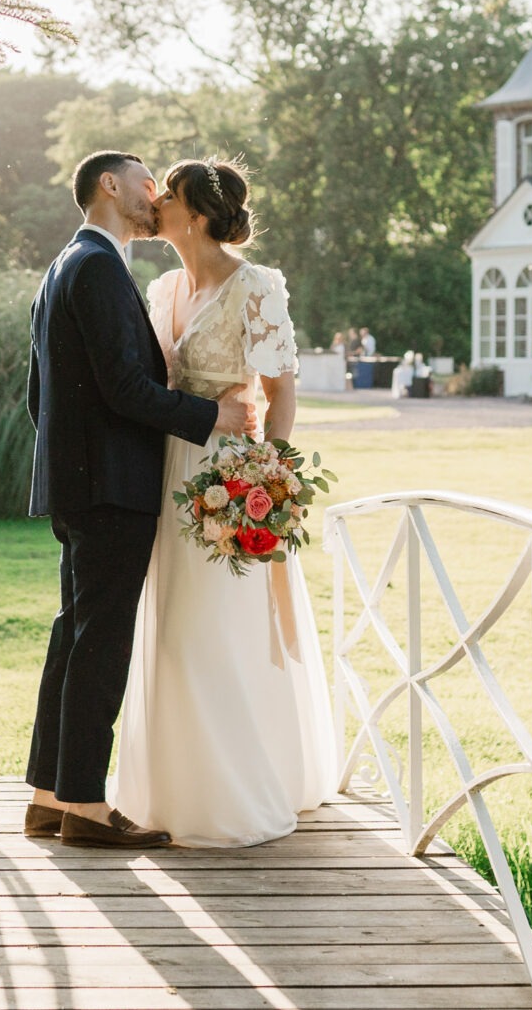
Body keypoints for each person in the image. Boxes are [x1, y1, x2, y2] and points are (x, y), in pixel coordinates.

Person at [25, 151, 254, 849]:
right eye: (145, 179)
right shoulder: (95, 266)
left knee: (75, 635)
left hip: (80, 481)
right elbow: (124, 387)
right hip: (109, 485)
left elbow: (42, 393)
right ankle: (87, 807)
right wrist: (211, 417)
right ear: (109, 185)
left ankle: (47, 796)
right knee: (100, 642)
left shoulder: (69, 264)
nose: (154, 193)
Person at [116, 157, 339, 847]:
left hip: (228, 477)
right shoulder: (162, 288)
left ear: (199, 214)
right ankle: (178, 789)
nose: (156, 203)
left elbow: (281, 391)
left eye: (169, 196)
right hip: (167, 469)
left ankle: (240, 790)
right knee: (175, 631)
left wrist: (267, 482)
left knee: (222, 627)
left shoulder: (258, 286)